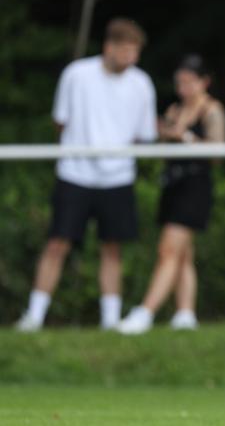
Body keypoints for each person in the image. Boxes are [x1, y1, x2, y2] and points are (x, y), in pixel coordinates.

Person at [15, 18, 156, 331]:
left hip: (118, 176)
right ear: (109, 46)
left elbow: (143, 135)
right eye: (126, 50)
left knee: (112, 247)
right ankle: (34, 316)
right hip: (74, 172)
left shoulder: (141, 83)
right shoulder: (77, 75)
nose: (131, 58)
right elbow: (60, 121)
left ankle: (110, 321)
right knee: (57, 243)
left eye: (136, 52)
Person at [118, 55, 225, 334]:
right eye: (180, 82)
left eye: (189, 82)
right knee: (182, 254)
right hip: (172, 185)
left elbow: (218, 153)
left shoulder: (212, 111)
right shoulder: (174, 109)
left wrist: (186, 137)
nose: (183, 89)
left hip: (195, 188)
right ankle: (185, 314)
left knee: (167, 250)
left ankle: (145, 312)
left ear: (204, 82)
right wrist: (164, 132)